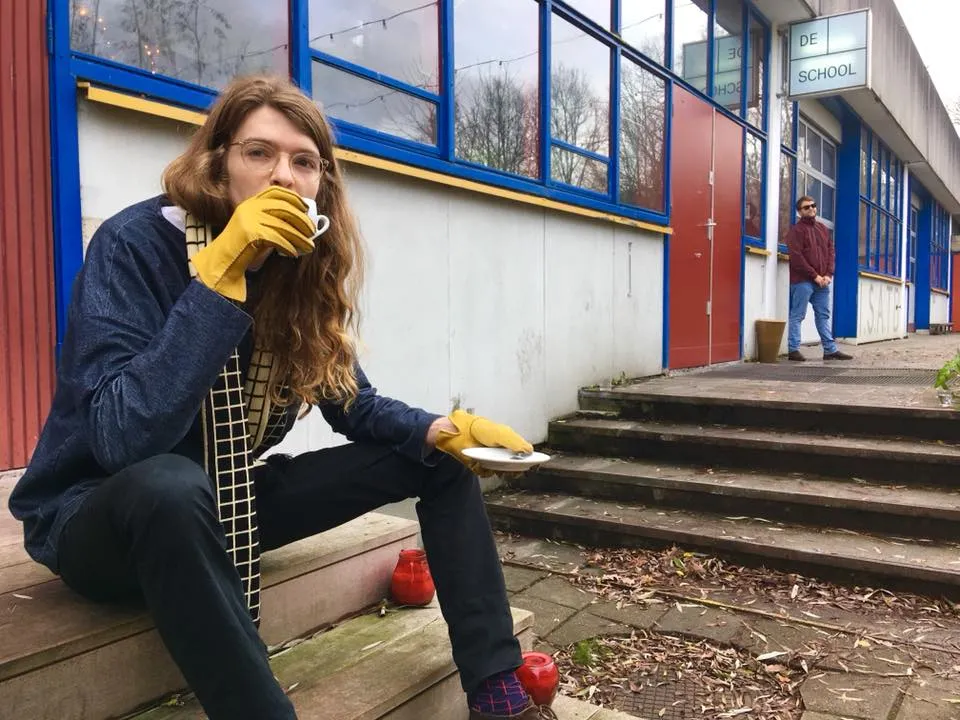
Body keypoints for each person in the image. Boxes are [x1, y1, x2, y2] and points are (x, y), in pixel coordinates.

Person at [8, 75, 557, 720]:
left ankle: (496, 691)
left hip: (228, 505)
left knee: (435, 459)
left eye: (304, 162)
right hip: (101, 518)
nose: (282, 176)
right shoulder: (136, 244)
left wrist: (443, 428)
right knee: (169, 484)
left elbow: (351, 403)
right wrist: (220, 276)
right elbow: (120, 437)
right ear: (218, 163)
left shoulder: (298, 269)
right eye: (259, 153)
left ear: (322, 183)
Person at [785, 195, 853, 361]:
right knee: (798, 315)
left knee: (823, 316)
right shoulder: (796, 231)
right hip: (802, 281)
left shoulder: (822, 228)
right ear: (799, 212)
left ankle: (830, 350)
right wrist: (814, 276)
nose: (811, 209)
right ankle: (793, 350)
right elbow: (797, 257)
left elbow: (831, 252)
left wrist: (828, 275)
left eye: (813, 205)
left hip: (822, 282)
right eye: (806, 207)